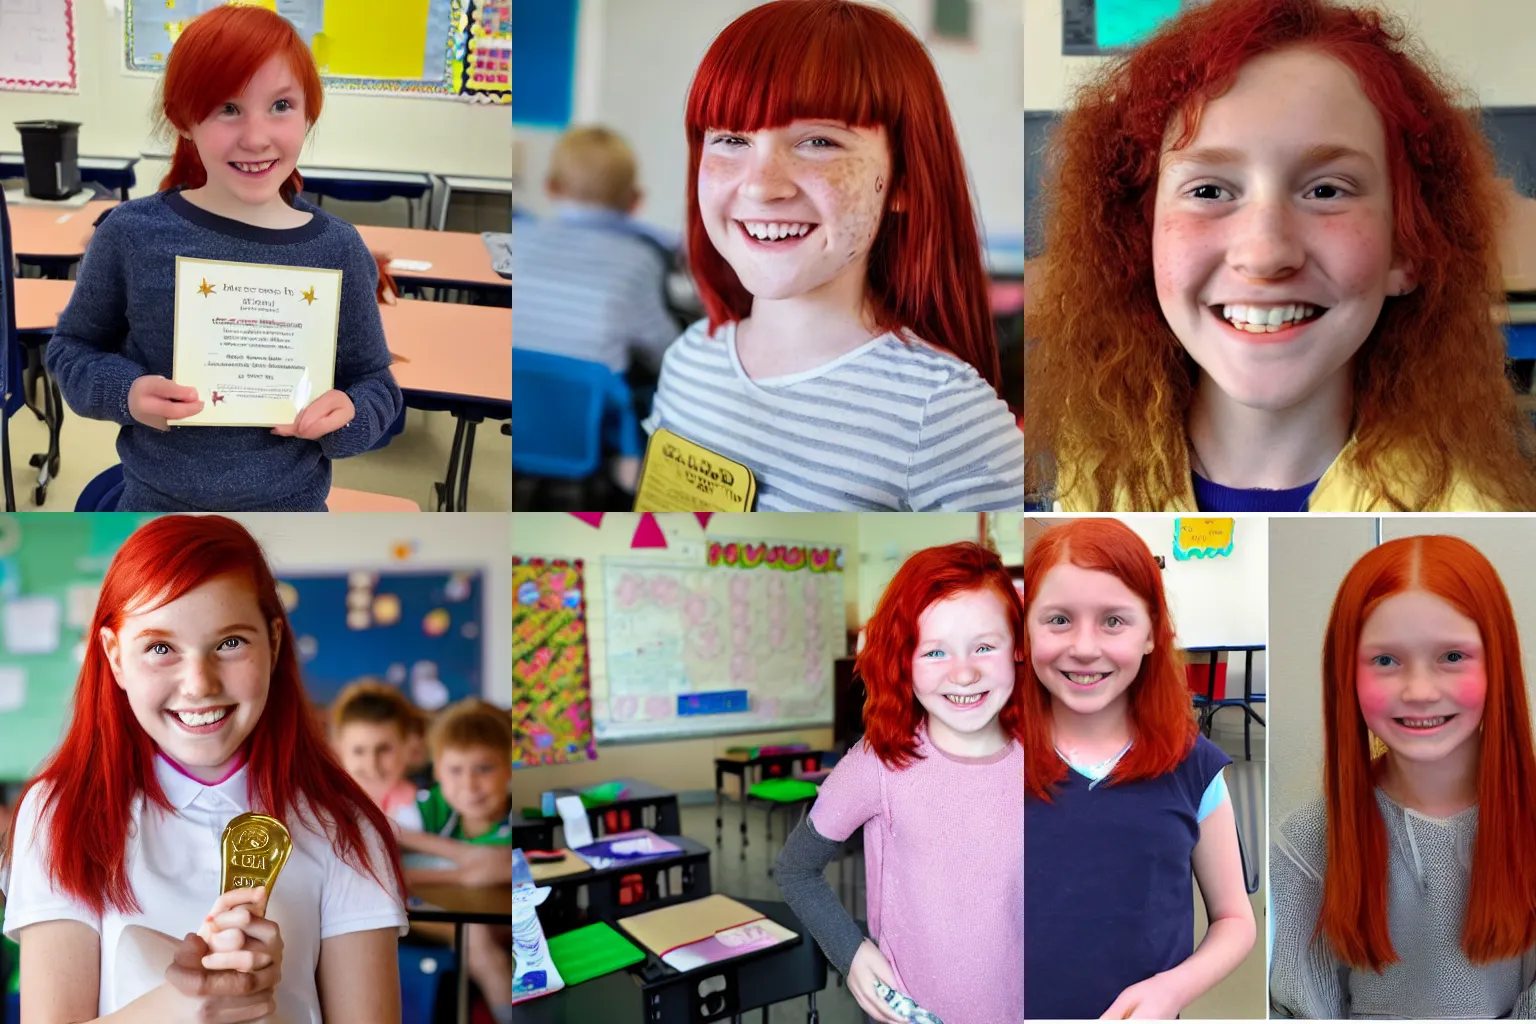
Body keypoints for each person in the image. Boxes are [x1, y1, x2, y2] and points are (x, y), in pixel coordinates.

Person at [1025, 0, 1536, 511]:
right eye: (1208, 192)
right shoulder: (1061, 485)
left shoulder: (1479, 511)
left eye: (1327, 191)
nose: (1266, 253)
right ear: (1142, 238)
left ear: (1407, 248)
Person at [0, 515, 407, 1022]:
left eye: (230, 643)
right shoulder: (59, 813)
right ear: (115, 657)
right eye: (160, 648)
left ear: (274, 643)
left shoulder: (343, 824)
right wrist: (180, 1006)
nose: (199, 684)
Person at [645, 0, 1023, 511]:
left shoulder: (942, 414)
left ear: (902, 182)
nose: (760, 186)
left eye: (818, 141)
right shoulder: (689, 359)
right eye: (732, 139)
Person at [45, 3, 404, 512]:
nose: (256, 137)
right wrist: (126, 392)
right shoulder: (131, 234)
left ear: (309, 113)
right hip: (158, 512)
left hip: (291, 515)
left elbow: (376, 385)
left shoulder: (337, 248)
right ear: (183, 120)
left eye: (281, 106)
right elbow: (70, 349)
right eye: (228, 108)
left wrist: (349, 414)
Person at [1271, 534, 1536, 1018]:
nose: (1419, 691)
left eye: (1452, 657)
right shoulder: (1308, 842)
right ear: (1345, 674)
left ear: (1499, 662)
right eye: (1386, 660)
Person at [775, 542, 1024, 1023]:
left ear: (1017, 647)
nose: (965, 672)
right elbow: (796, 870)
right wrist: (850, 952)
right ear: (903, 660)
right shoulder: (879, 763)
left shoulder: (1045, 759)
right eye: (934, 651)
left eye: (985, 646)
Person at [1022, 519, 1254, 1018]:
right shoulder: (995, 761)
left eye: (1114, 621)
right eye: (1058, 619)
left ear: (1152, 633)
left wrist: (1172, 989)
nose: (1084, 647)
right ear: (1025, 630)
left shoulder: (1194, 767)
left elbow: (1236, 919)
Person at [512, 125, 681, 378]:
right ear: (635, 200)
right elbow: (666, 352)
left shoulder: (517, 236)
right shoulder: (639, 261)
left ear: (550, 187)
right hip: (588, 409)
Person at [397, 698, 513, 1024]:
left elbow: (495, 867)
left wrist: (416, 872)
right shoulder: (430, 806)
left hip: (503, 922)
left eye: (484, 768)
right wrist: (467, 865)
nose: (469, 785)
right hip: (440, 919)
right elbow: (384, 844)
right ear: (438, 773)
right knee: (475, 938)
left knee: (481, 935)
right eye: (455, 770)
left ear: (508, 768)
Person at [331, 679, 426, 831]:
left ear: (408, 746)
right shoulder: (324, 808)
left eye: (384, 749)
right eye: (359, 751)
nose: (371, 765)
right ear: (338, 749)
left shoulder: (427, 808)